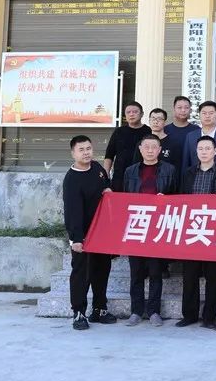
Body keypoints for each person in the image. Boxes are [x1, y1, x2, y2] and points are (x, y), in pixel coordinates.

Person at [177, 135, 216, 328]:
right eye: (200, 149)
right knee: (189, 276)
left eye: (208, 148)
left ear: (215, 151)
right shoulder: (187, 173)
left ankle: (209, 317)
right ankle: (189, 315)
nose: (204, 152)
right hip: (192, 229)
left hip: (215, 230)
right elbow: (180, 199)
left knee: (214, 276)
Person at [122, 134, 178, 327]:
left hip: (157, 225)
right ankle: (136, 311)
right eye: (146, 147)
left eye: (154, 147)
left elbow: (177, 197)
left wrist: (166, 198)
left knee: (155, 271)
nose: (150, 150)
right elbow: (124, 198)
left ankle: (154, 311)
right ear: (140, 149)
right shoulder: (130, 171)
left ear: (160, 149)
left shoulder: (170, 170)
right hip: (136, 225)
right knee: (136, 272)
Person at [63, 135, 115, 330]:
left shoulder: (97, 168)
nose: (86, 153)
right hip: (83, 236)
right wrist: (76, 238)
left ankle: (99, 309)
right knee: (81, 274)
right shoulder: (72, 179)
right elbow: (72, 211)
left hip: (102, 231)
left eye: (88, 149)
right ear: (73, 153)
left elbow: (106, 185)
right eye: (81, 150)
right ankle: (78, 313)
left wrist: (108, 190)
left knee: (102, 271)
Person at [103, 101, 150, 191]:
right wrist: (106, 174)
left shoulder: (148, 131)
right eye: (128, 112)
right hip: (120, 177)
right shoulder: (119, 132)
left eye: (135, 112)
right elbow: (109, 155)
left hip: (142, 177)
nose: (131, 114)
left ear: (142, 114)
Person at [182, 100, 216, 174]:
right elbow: (186, 163)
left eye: (211, 113)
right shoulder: (191, 136)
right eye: (204, 113)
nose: (207, 116)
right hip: (195, 178)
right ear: (199, 115)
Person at [164, 96, 199, 166]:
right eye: (179, 107)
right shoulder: (165, 130)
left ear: (190, 110)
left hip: (191, 169)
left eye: (186, 107)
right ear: (174, 109)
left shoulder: (197, 130)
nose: (183, 110)